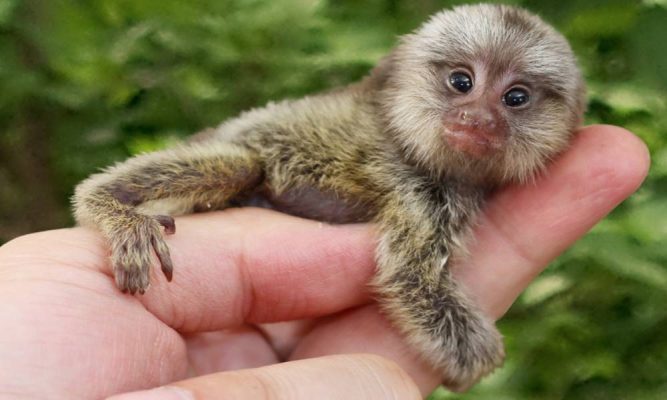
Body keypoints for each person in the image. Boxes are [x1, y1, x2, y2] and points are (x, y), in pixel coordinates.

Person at [0, 125, 649, 399]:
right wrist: (473, 351)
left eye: (515, 104)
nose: (476, 117)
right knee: (231, 164)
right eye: (459, 84)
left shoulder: (453, 180)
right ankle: (117, 205)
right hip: (250, 179)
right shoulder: (417, 170)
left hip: (259, 304)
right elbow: (412, 275)